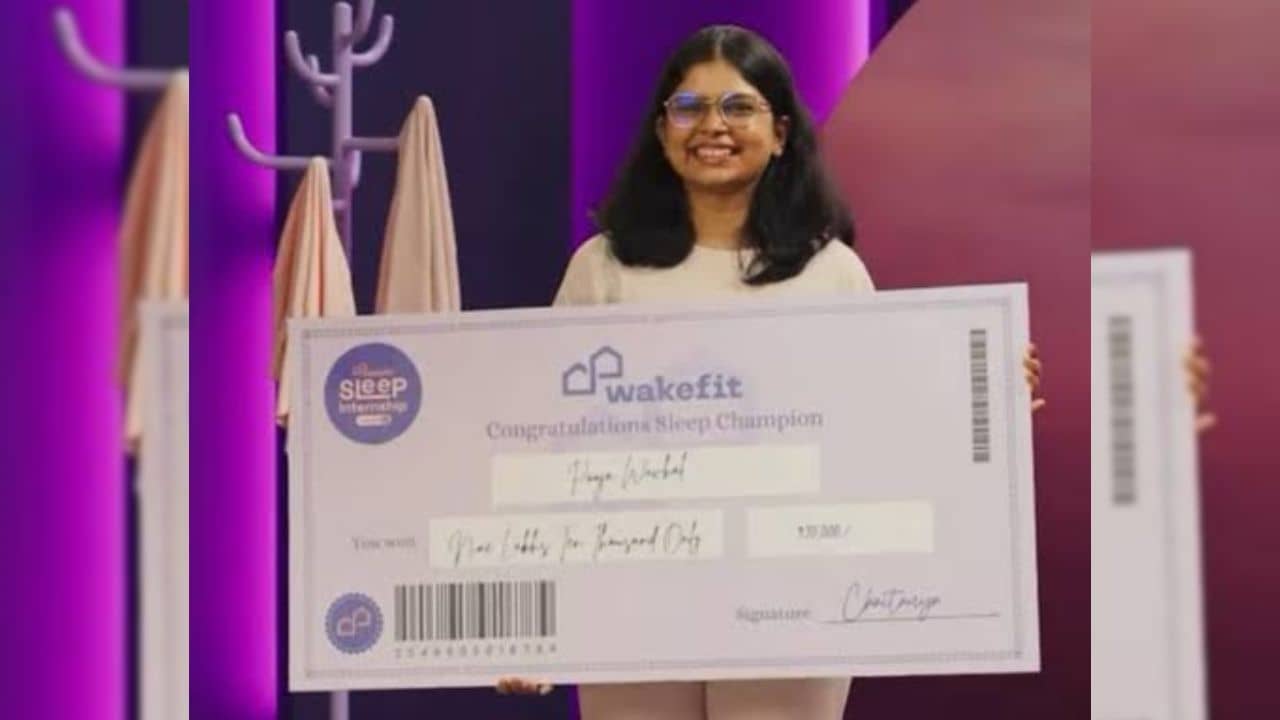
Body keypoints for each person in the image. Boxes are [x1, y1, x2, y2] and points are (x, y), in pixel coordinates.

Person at [499, 24, 1044, 719]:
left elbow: (882, 430)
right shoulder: (604, 268)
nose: (712, 126)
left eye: (739, 107)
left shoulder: (831, 273)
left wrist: (983, 402)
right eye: (689, 107)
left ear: (781, 133)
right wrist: (531, 618)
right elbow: (550, 443)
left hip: (795, 598)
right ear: (662, 132)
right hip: (631, 592)